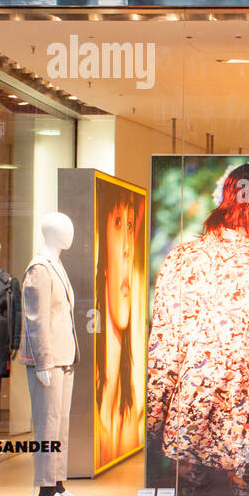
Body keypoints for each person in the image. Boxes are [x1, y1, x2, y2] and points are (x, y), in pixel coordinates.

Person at [146, 162, 249, 496]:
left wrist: (154, 425)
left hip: (188, 427)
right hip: (248, 432)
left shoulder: (178, 259)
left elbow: (163, 353)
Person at [95, 188, 145, 468]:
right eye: (117, 224)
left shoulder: (130, 408)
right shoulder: (91, 416)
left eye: (129, 226)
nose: (127, 247)